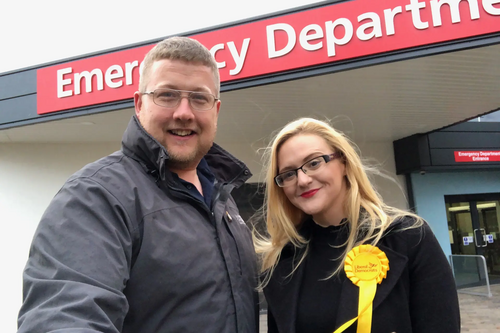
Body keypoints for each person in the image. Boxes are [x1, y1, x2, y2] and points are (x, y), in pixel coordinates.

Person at [18, 37, 259, 333]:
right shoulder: (96, 196)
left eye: (199, 98)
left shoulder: (223, 201)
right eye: (167, 95)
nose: (184, 112)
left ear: (216, 110)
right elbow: (65, 317)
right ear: (139, 103)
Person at [254, 117, 460, 333]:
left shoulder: (409, 238)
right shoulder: (282, 261)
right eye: (288, 174)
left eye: (314, 163)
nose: (303, 180)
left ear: (343, 162)